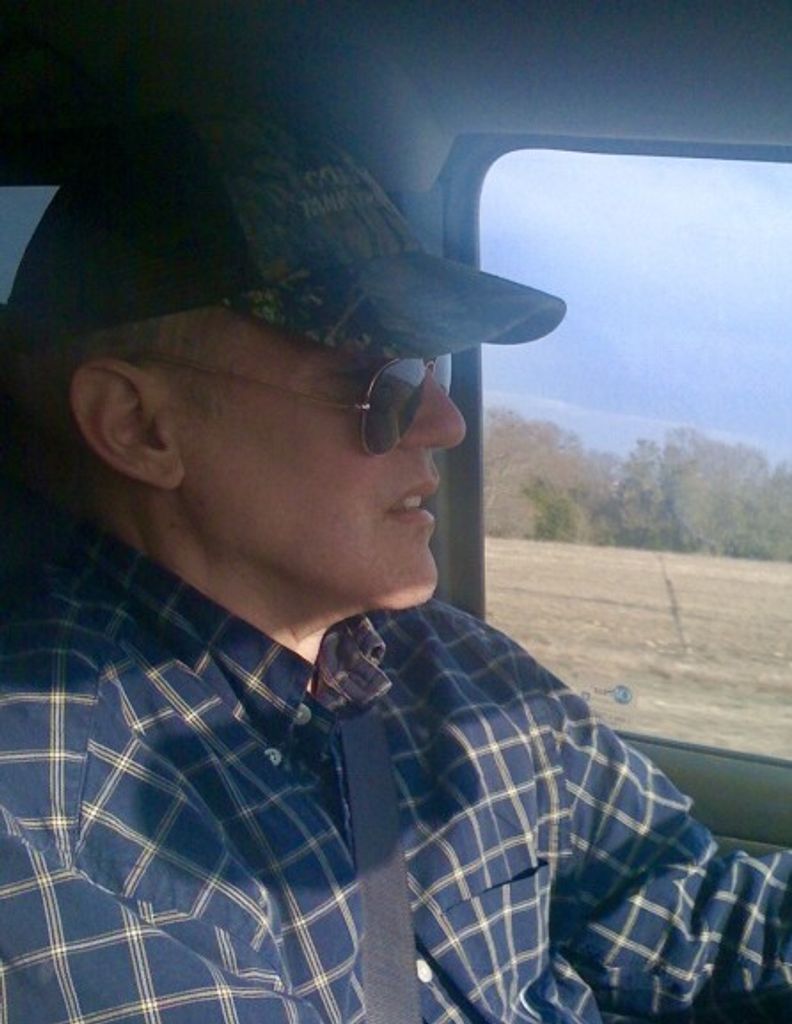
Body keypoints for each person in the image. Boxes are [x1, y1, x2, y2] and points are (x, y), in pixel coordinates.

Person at [0, 110, 789, 1024]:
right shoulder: (57, 811)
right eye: (373, 385)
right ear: (141, 427)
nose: (446, 425)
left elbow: (696, 917)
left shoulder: (466, 673)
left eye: (432, 370)